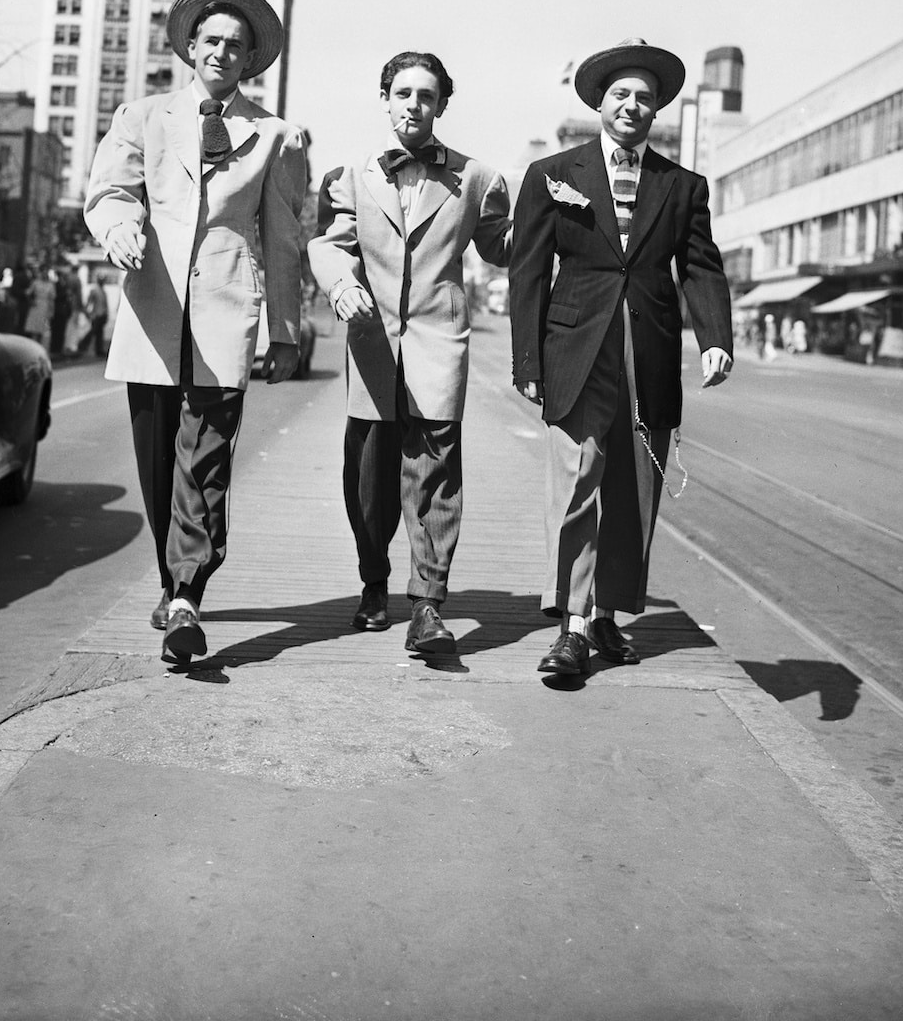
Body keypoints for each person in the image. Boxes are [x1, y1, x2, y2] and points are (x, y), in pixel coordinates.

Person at [84, 0, 306, 664]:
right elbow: (111, 192)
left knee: (205, 457)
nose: (221, 52)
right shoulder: (141, 116)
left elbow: (284, 239)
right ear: (189, 46)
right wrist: (119, 229)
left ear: (250, 59)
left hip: (224, 312)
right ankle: (171, 577)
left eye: (235, 45)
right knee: (158, 463)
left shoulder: (275, 137)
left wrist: (285, 330)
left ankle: (186, 595)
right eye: (211, 40)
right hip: (152, 307)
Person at [509, 38, 733, 676]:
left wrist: (715, 337)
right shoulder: (552, 174)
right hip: (576, 350)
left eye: (644, 97)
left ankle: (606, 614)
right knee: (577, 483)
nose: (632, 105)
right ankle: (572, 626)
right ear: (600, 103)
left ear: (657, 109)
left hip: (650, 351)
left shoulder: (682, 186)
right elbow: (528, 272)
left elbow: (700, 266)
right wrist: (528, 362)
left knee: (635, 488)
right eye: (620, 95)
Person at [308, 51, 512, 654]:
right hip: (372, 344)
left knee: (435, 475)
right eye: (403, 93)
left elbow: (503, 247)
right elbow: (330, 245)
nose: (414, 105)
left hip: (438, 344)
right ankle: (374, 582)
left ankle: (427, 603)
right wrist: (341, 287)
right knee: (369, 481)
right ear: (385, 100)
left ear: (441, 105)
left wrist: (556, 216)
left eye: (426, 96)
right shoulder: (350, 176)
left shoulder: (477, 179)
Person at [79, 276, 109, 357]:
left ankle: (99, 350)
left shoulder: (103, 291)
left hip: (102, 315)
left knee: (99, 333)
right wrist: (87, 313)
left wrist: (106, 314)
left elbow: (105, 304)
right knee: (92, 332)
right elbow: (89, 302)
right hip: (96, 315)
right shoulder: (95, 290)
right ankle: (82, 346)